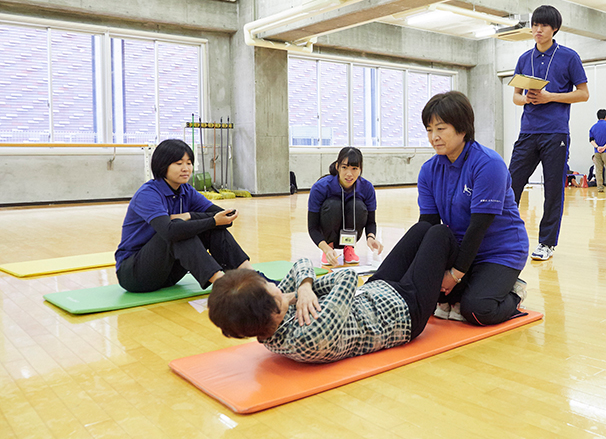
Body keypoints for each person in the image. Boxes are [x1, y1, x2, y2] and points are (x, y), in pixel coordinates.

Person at [209, 221, 471, 364]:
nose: (273, 283)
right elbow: (346, 278)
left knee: (420, 230)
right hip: (403, 313)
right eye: (269, 286)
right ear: (273, 310)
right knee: (439, 234)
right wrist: (300, 292)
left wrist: (304, 287)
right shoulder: (308, 337)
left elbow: (301, 264)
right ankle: (456, 290)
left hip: (375, 293)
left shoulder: (268, 316)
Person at [418, 91, 528, 325]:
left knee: (477, 310)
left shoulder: (488, 164)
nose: (434, 137)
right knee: (425, 299)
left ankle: (515, 292)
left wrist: (454, 275)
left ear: (462, 128)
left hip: (500, 251)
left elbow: (478, 228)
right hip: (460, 248)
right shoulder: (429, 170)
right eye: (429, 130)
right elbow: (426, 225)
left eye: (441, 128)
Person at [508, 4, 589, 261]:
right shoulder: (524, 58)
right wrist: (529, 100)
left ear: (554, 28)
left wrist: (549, 97)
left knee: (553, 189)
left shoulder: (569, 57)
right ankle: (503, 235)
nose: (538, 30)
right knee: (510, 185)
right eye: (534, 25)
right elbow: (515, 98)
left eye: (543, 25)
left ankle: (547, 243)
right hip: (528, 132)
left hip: (555, 133)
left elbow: (583, 94)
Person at [115, 139, 251, 292]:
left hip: (169, 274)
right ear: (162, 165)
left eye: (189, 163)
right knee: (178, 230)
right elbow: (169, 231)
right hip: (134, 274)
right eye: (179, 164)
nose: (186, 168)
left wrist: (189, 216)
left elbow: (225, 218)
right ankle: (224, 285)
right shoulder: (148, 194)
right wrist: (211, 220)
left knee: (206, 228)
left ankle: (251, 278)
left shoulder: (186, 190)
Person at [307, 147, 383, 267]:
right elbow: (312, 227)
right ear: (337, 167)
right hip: (326, 239)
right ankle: (330, 247)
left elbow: (371, 222)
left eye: (354, 169)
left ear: (360, 170)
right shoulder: (320, 187)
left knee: (358, 205)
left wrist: (371, 237)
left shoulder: (367, 188)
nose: (349, 174)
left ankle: (349, 248)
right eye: (344, 167)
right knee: (333, 205)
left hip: (351, 235)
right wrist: (325, 248)